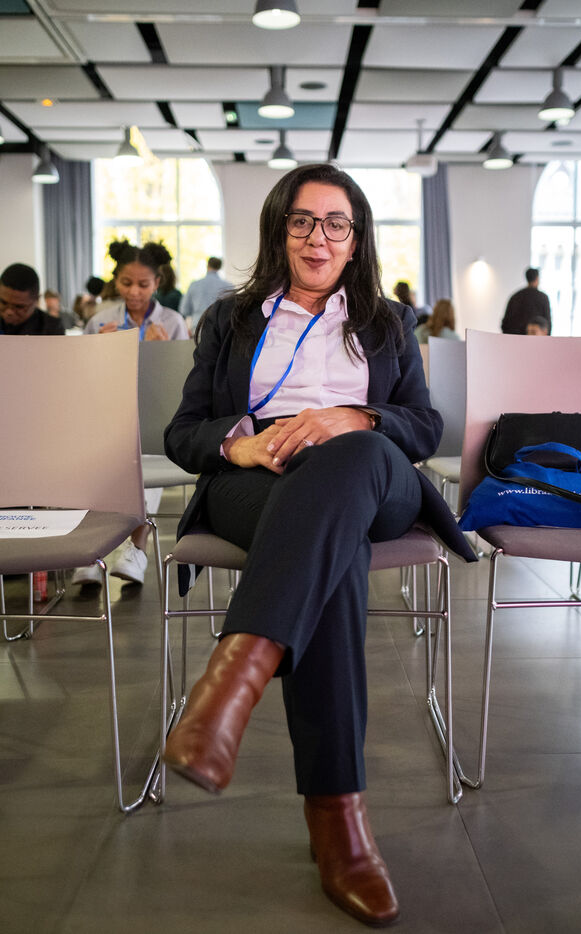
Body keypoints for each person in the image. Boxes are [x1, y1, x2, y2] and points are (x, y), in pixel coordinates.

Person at [161, 163, 476, 927]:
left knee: (352, 459)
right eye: (301, 221)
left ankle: (230, 684)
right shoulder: (229, 320)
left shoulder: (387, 322)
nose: (318, 237)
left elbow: (422, 426)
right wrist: (237, 444)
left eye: (336, 223)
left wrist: (355, 418)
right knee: (328, 555)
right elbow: (182, 433)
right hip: (259, 480)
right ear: (279, 231)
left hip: (372, 474)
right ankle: (338, 819)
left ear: (356, 239)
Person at [72, 240, 189, 588]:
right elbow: (81, 383)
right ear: (115, 281)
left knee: (144, 454)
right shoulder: (100, 322)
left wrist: (164, 352)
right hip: (107, 417)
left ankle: (136, 547)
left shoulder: (173, 323)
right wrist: (99, 351)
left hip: (157, 419)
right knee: (99, 463)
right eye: (126, 283)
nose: (134, 292)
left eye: (143, 284)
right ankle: (91, 551)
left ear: (157, 283)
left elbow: (183, 385)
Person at [0, 263, 64, 335]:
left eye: (19, 306)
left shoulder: (52, 327)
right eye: (3, 302)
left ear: (37, 300)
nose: (9, 312)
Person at [180, 256, 233, 335]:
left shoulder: (194, 285)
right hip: (221, 331)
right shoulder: (229, 286)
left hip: (198, 328)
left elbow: (184, 310)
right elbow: (231, 312)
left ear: (207, 266)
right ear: (220, 267)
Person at [501, 267, 551, 335]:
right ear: (537, 279)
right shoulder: (543, 298)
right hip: (535, 340)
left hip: (515, 338)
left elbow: (505, 323)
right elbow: (548, 323)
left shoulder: (516, 296)